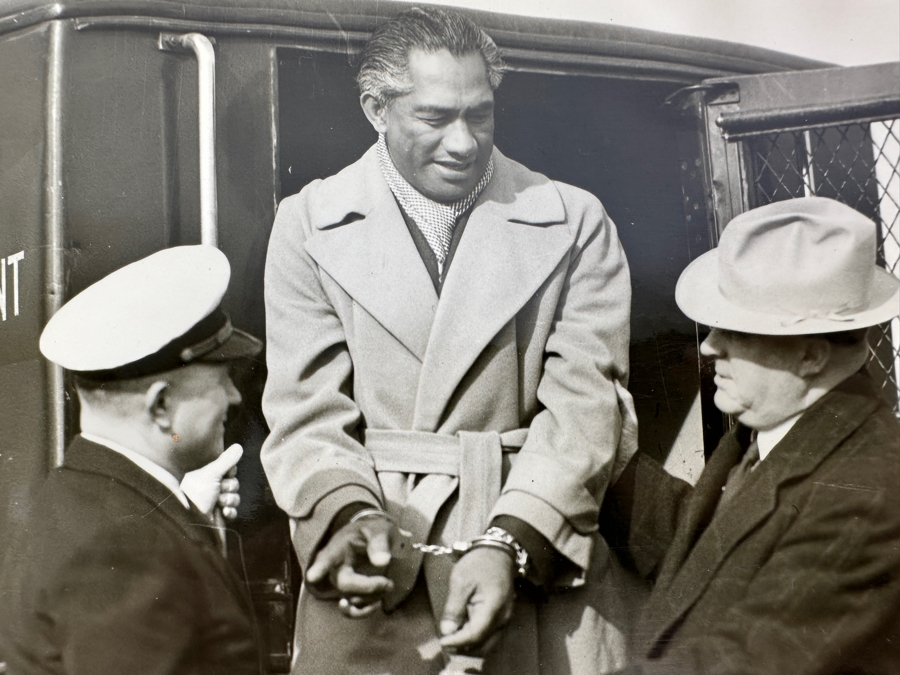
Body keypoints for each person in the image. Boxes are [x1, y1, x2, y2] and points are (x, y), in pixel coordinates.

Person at [261, 6, 634, 675]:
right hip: (379, 569)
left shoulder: (574, 220)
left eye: (480, 115)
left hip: (536, 550)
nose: (463, 142)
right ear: (376, 110)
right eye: (435, 118)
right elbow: (304, 413)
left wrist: (510, 542)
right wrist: (347, 520)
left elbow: (587, 409)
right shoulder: (308, 225)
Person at [601, 196, 900, 674]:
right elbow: (711, 554)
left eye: (736, 332)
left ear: (810, 357)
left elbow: (746, 662)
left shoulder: (869, 494)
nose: (708, 347)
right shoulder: (786, 428)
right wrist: (607, 460)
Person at [0, 245, 266, 675]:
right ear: (160, 406)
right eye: (222, 380)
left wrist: (184, 514)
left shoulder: (77, 500)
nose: (234, 397)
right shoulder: (131, 553)